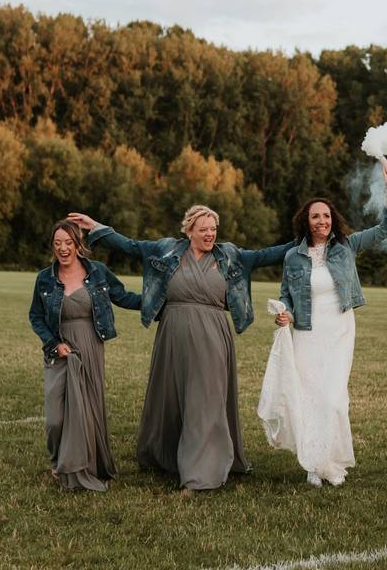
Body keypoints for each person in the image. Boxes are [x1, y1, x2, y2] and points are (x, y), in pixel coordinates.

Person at [67, 208, 293, 492]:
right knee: (170, 397)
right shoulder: (166, 250)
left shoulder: (230, 255)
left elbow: (268, 255)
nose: (210, 234)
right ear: (189, 231)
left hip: (212, 335)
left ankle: (201, 473)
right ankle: (165, 456)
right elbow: (130, 246)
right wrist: (96, 226)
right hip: (172, 333)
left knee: (205, 400)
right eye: (203, 229)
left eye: (213, 229)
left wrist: (307, 239)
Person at [261, 158, 387, 487]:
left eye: (325, 215)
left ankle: (332, 460)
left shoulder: (347, 246)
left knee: (334, 397)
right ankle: (313, 462)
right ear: (306, 222)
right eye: (315, 216)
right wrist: (284, 314)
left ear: (332, 219)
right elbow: (288, 296)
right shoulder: (293, 256)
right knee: (310, 395)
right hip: (307, 331)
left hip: (339, 329)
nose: (321, 220)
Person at [28, 220, 141, 491]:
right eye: (57, 243)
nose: (63, 249)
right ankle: (58, 461)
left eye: (68, 243)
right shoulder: (45, 277)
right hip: (59, 349)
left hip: (90, 345)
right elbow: (35, 316)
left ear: (78, 245)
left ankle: (85, 465)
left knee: (88, 410)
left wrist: (158, 302)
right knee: (56, 416)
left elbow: (124, 297)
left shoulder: (98, 273)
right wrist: (54, 344)